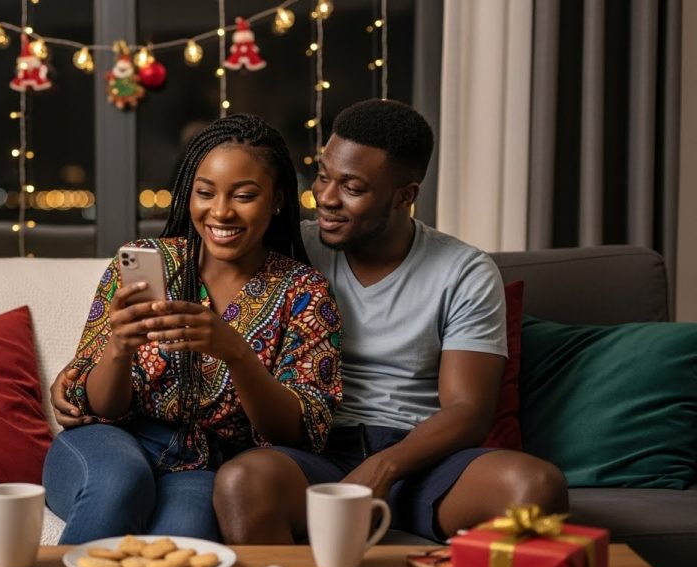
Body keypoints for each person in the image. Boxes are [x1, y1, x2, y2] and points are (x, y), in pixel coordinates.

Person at [210, 99, 568, 543]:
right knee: (242, 481)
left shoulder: (464, 271)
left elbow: (469, 411)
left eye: (352, 187)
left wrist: (382, 468)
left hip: (423, 460)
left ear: (405, 195)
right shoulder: (292, 248)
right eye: (323, 176)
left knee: (535, 487)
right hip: (315, 453)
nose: (326, 197)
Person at [42, 113, 343, 544]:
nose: (220, 211)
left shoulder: (303, 292)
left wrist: (236, 354)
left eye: (244, 195)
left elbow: (298, 432)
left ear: (277, 199)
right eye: (205, 193)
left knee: (183, 539)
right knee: (121, 486)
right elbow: (98, 406)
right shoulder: (146, 260)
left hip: (204, 465)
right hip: (111, 441)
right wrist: (120, 349)